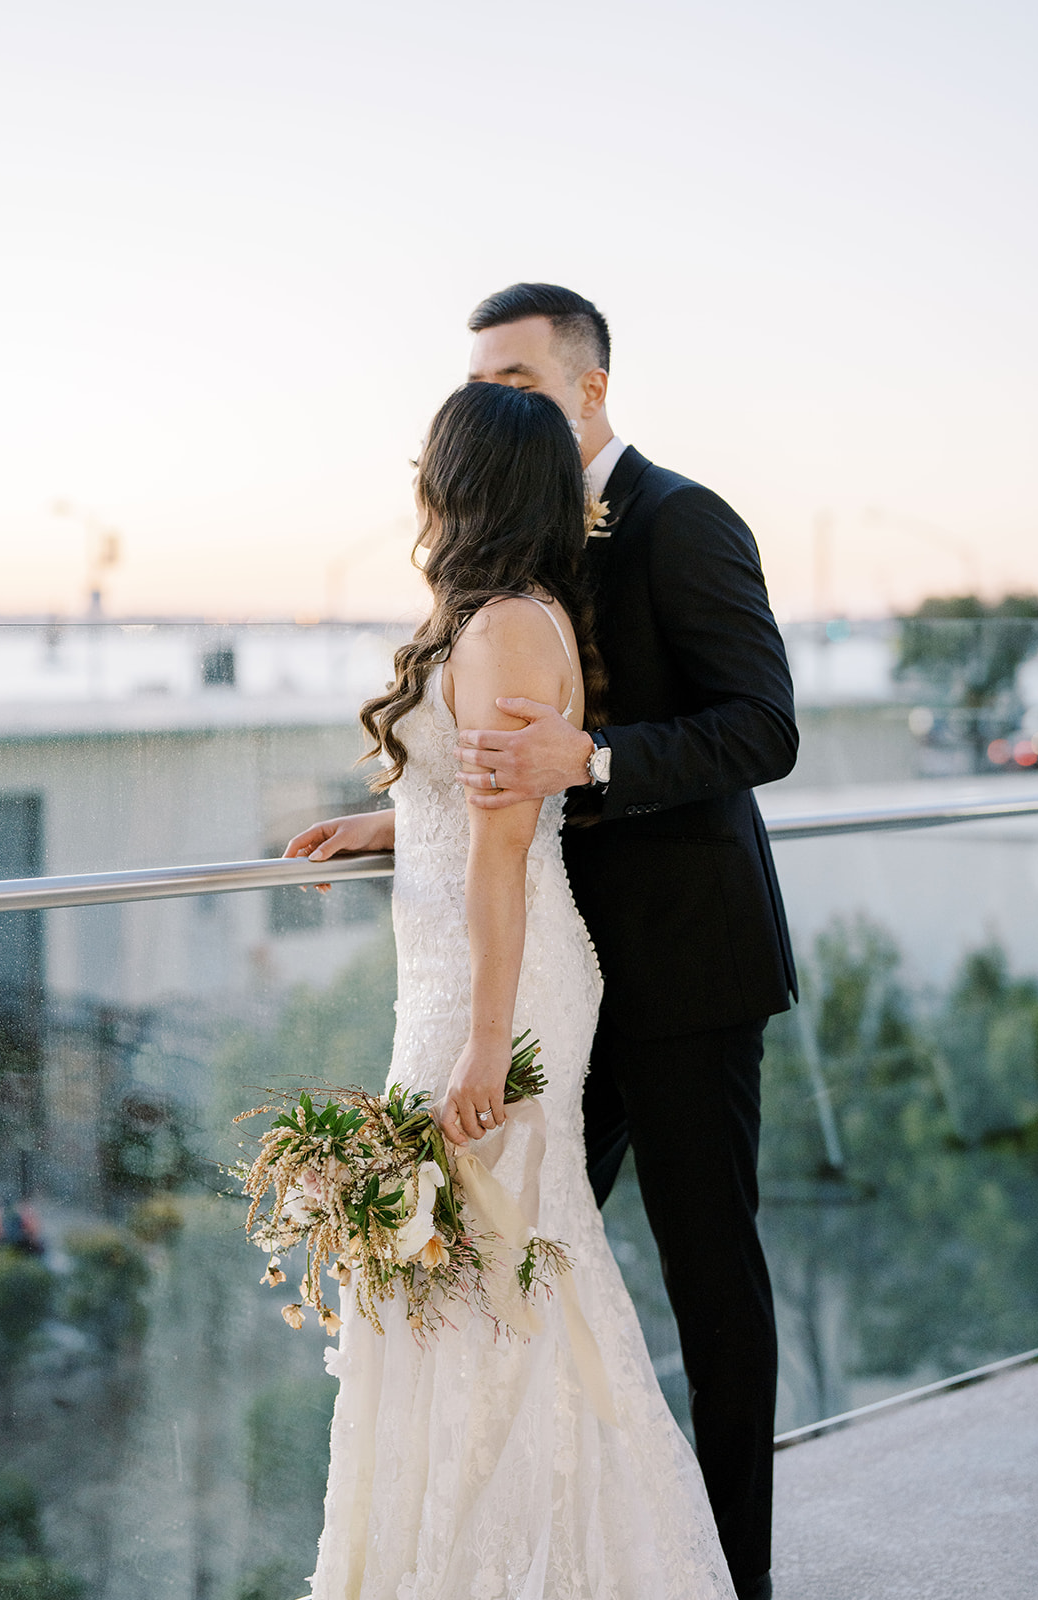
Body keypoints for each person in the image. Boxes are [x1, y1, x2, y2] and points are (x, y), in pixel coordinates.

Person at [286, 380, 736, 1599]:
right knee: (463, 1277)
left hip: (500, 989)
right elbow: (464, 808)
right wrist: (381, 825)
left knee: (498, 1274)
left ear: (463, 479)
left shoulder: (505, 630)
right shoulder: (494, 619)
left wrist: (486, 1046)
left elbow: (504, 852)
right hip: (456, 977)